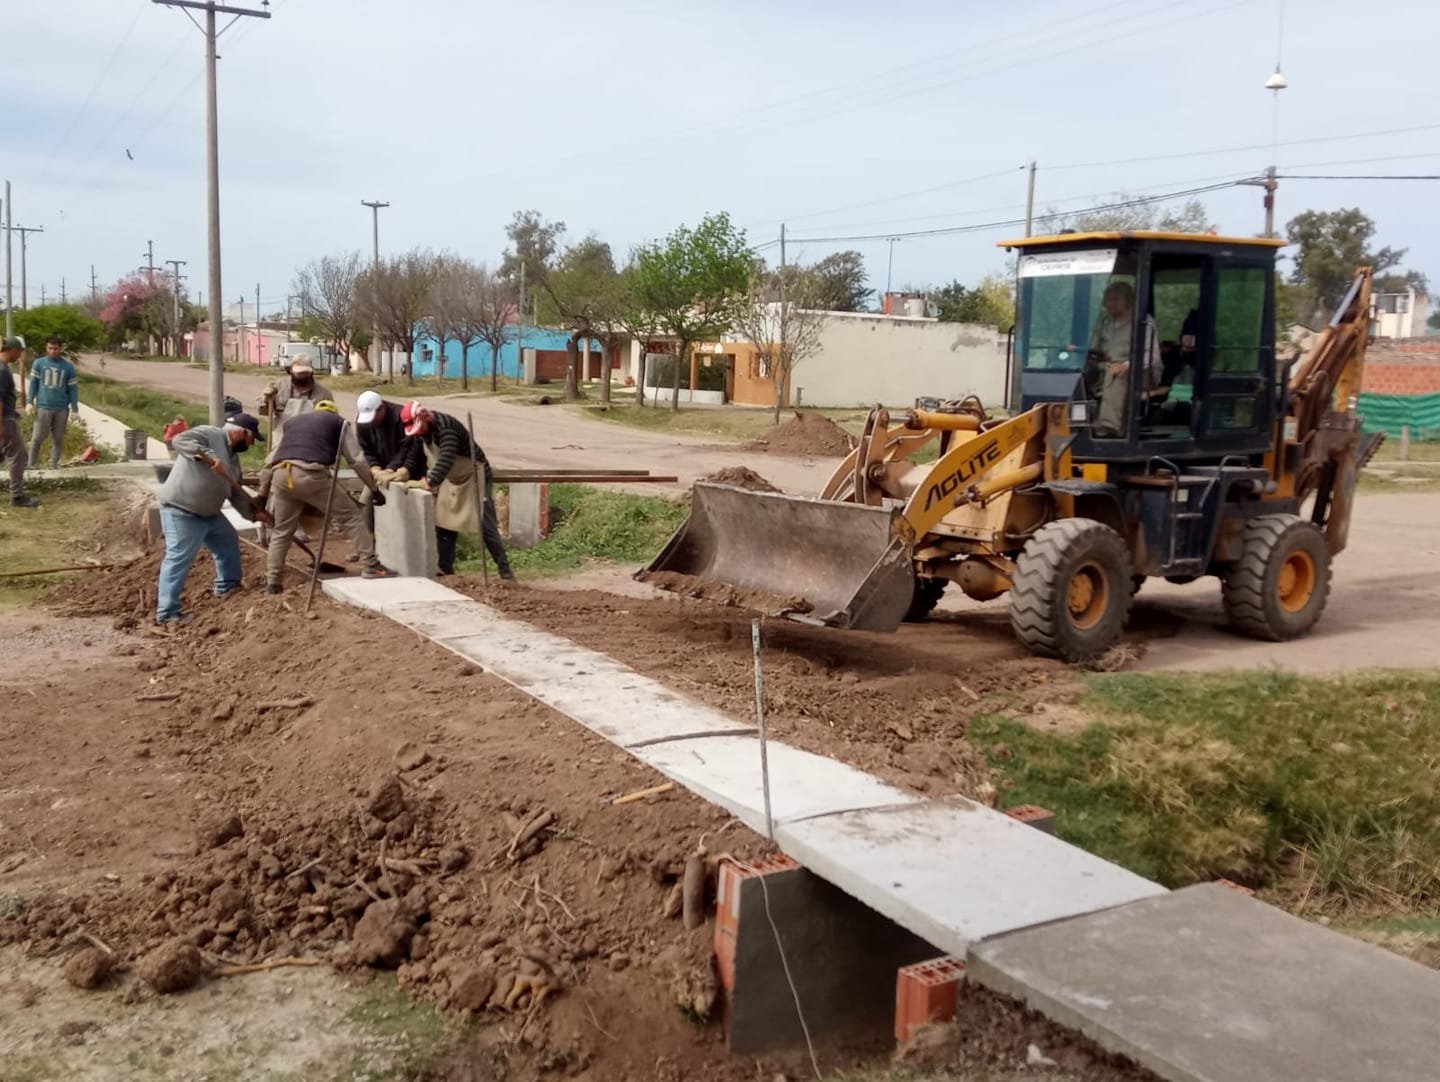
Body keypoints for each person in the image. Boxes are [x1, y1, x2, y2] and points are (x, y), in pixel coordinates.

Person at [255, 399, 395, 593]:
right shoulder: (339, 423)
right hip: (310, 475)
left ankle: (273, 582)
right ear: (334, 413)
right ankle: (371, 565)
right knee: (351, 517)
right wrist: (374, 488)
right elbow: (357, 460)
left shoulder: (292, 424)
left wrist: (262, 495)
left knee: (282, 530)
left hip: (281, 475)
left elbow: (269, 462)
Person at [155, 413, 272, 626]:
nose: (252, 443)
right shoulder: (210, 434)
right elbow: (180, 440)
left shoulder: (234, 462)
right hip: (182, 511)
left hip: (210, 515)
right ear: (242, 432)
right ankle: (167, 613)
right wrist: (209, 456)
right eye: (251, 438)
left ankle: (228, 587)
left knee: (227, 542)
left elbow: (235, 493)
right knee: (179, 558)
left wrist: (254, 514)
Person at [399, 401, 514, 580]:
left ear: (424, 418)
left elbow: (446, 458)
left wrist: (428, 482)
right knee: (444, 522)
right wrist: (403, 470)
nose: (418, 433)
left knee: (485, 524)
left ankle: (505, 572)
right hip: (451, 478)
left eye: (418, 428)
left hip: (474, 475)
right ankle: (445, 570)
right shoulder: (424, 433)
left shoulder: (446, 428)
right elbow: (414, 454)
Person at [1084, 281, 1160, 438]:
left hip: (1141, 369)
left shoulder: (1143, 321)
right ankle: (1082, 422)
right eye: (1108, 300)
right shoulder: (1106, 321)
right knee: (1084, 373)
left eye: (1115, 299)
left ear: (1127, 300)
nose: (1110, 304)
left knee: (1116, 376)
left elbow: (1150, 356)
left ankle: (1108, 429)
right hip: (1109, 365)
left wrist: (1126, 365)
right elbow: (1096, 347)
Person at [355, 389, 420, 539]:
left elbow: (408, 447)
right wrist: (375, 468)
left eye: (373, 417)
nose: (371, 421)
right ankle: (367, 545)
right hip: (381, 471)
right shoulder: (363, 421)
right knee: (365, 502)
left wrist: (392, 469)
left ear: (382, 407)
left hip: (406, 470)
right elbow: (366, 448)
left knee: (407, 509)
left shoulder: (401, 416)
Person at [26, 336, 79, 469]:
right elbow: (33, 384)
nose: (53, 351)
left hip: (61, 408)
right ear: (46, 348)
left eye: (56, 348)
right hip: (44, 406)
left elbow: (73, 389)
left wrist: (75, 409)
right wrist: (29, 402)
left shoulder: (68, 367)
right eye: (50, 348)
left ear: (60, 349)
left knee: (58, 439)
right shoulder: (38, 363)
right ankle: (31, 465)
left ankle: (53, 465)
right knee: (37, 438)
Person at [1, 336, 39, 508]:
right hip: (4, 420)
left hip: (6, 417)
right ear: (13, 350)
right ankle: (17, 497)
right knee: (19, 456)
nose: (20, 356)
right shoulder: (2, 370)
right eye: (20, 352)